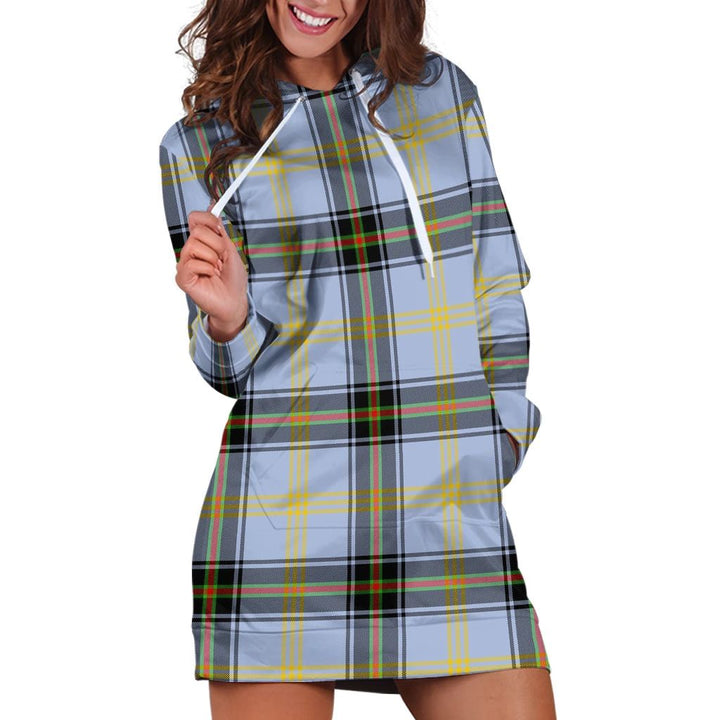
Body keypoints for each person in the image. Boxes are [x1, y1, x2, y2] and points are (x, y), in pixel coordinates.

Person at [158, 1, 557, 718]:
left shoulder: (441, 94)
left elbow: (496, 283)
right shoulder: (200, 143)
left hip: (446, 520)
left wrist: (497, 437)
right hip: (283, 531)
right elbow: (229, 371)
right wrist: (229, 317)